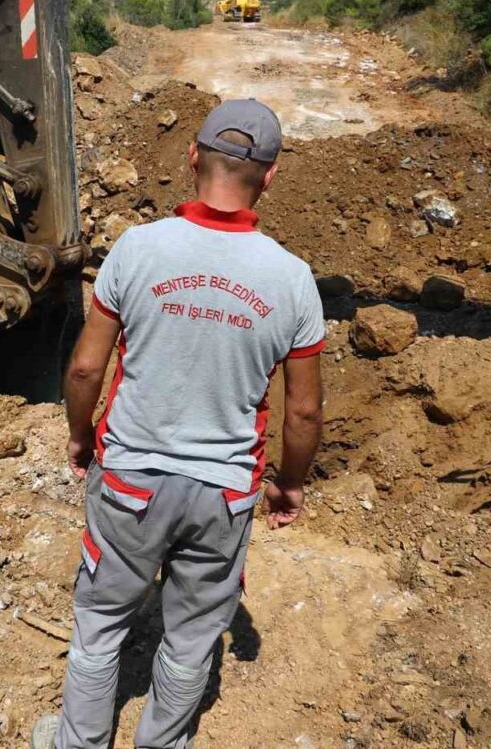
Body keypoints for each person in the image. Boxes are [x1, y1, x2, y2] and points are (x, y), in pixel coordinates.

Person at [31, 99, 326, 749]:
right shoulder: (294, 281)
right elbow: (303, 410)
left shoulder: (138, 250)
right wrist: (290, 483)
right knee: (191, 640)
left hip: (131, 477)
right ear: (270, 177)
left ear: (192, 157)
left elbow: (85, 370)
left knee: (100, 623)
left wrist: (82, 436)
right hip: (222, 493)